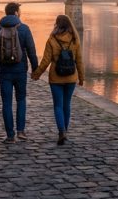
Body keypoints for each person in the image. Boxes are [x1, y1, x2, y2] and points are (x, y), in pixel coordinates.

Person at [0, 2, 39, 143]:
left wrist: (0, 62)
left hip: (4, 72)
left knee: (7, 103)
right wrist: (35, 69)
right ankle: (21, 131)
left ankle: (10, 135)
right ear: (16, 13)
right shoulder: (24, 29)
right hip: (20, 71)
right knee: (21, 100)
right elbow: (32, 51)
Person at [31, 14, 84, 145]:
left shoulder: (52, 39)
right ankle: (65, 131)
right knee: (67, 105)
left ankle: (61, 132)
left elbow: (45, 61)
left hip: (56, 77)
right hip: (71, 77)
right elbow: (79, 61)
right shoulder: (75, 39)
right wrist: (81, 78)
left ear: (57, 25)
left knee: (58, 106)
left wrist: (36, 74)